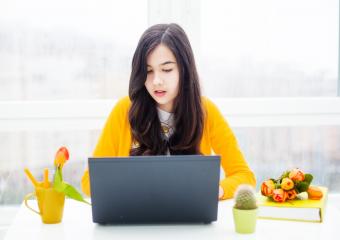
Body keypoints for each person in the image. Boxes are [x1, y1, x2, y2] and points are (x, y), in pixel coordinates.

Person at [81, 23, 256, 200]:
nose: (156, 81)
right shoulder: (125, 110)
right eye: (148, 71)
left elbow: (244, 176)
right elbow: (89, 181)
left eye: (166, 69)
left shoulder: (206, 111)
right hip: (137, 221)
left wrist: (214, 190)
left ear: (184, 69)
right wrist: (128, 190)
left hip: (189, 220)